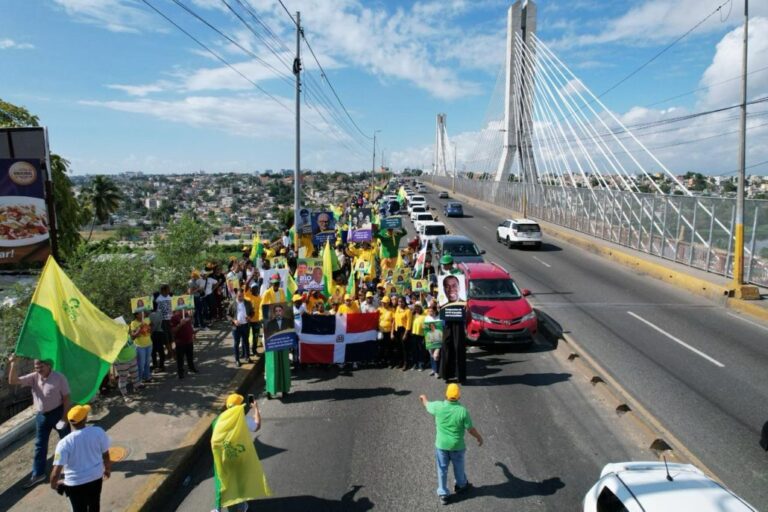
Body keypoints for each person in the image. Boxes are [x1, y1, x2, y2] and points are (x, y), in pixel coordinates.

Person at [7, 355, 71, 488]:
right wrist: (14, 363)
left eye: (41, 366)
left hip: (58, 413)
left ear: (49, 366)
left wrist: (64, 418)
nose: (38, 369)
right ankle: (38, 474)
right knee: (40, 445)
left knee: (67, 440)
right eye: (36, 367)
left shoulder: (59, 377)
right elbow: (13, 381)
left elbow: (66, 398)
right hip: (41, 417)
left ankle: (74, 466)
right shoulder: (34, 377)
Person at [419, 384, 483, 505]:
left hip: (441, 446)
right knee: (459, 467)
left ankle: (443, 493)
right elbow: (470, 429)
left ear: (446, 395)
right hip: (457, 446)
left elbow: (427, 404)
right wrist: (479, 437)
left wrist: (423, 397)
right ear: (459, 396)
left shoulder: (438, 406)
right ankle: (461, 485)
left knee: (442, 469)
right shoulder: (463, 411)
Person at [211, 394, 270, 511]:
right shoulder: (243, 419)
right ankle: (241, 506)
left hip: (223, 456)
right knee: (240, 480)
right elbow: (257, 426)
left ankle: (218, 508)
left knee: (223, 481)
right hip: (239, 456)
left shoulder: (218, 420)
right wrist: (256, 409)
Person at [50, 405, 111, 512]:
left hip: (74, 484)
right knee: (94, 505)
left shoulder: (63, 443)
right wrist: (107, 470)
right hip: (95, 477)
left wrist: (54, 484)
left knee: (78, 509)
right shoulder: (98, 432)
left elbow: (56, 471)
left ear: (70, 422)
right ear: (85, 419)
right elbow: (106, 455)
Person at [261, 276, 291, 399]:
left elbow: (286, 307)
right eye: (274, 283)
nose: (276, 285)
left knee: (283, 360)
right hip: (270, 332)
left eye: (277, 283)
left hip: (282, 331)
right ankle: (269, 389)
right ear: (271, 284)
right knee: (271, 361)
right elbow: (262, 310)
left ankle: (284, 389)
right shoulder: (267, 293)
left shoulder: (283, 292)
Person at [228, 289, 254, 367]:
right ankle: (237, 360)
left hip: (245, 325)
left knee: (246, 342)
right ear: (236, 295)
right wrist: (234, 321)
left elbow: (252, 312)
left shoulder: (248, 303)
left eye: (242, 296)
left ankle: (247, 357)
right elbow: (228, 315)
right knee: (236, 343)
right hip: (236, 327)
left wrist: (249, 317)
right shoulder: (232, 304)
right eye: (239, 296)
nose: (241, 298)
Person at [171, 309, 198, 378]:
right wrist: (180, 324)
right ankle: (180, 372)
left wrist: (193, 334)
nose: (186, 309)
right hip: (180, 342)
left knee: (190, 356)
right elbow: (173, 330)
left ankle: (191, 368)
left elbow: (190, 326)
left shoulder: (187, 315)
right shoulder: (174, 318)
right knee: (180, 358)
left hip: (189, 340)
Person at [129, 312, 153, 385]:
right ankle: (138, 381)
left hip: (149, 344)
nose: (143, 314)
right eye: (140, 313)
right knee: (141, 364)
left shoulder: (147, 319)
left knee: (147, 362)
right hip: (140, 346)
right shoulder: (133, 323)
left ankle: (147, 377)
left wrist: (149, 327)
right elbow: (133, 336)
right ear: (136, 315)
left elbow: (152, 328)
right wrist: (140, 327)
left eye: (143, 312)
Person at [393, 296, 412, 371]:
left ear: (405, 302)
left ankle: (406, 364)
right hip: (397, 329)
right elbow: (395, 319)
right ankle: (400, 362)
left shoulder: (408, 311)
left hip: (404, 330)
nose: (400, 303)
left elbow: (409, 324)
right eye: (399, 302)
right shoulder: (397, 308)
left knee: (405, 349)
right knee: (399, 348)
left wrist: (405, 334)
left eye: (402, 302)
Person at [156, 285, 175, 360]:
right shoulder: (158, 299)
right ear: (163, 291)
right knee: (165, 337)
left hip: (170, 319)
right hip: (163, 320)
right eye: (167, 290)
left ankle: (170, 352)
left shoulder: (170, 297)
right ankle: (171, 353)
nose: (169, 291)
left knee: (170, 336)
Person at [148, 294, 166, 373]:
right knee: (161, 350)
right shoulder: (160, 313)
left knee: (153, 351)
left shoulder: (150, 315)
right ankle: (161, 365)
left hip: (154, 334)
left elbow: (152, 326)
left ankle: (155, 364)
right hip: (161, 333)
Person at [411, 303, 427, 371]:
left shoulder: (424, 315)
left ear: (420, 308)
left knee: (421, 350)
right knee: (414, 350)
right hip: (414, 335)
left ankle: (421, 365)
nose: (417, 309)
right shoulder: (413, 315)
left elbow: (426, 326)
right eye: (416, 307)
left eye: (418, 307)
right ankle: (415, 364)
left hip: (421, 335)